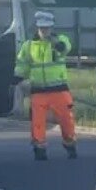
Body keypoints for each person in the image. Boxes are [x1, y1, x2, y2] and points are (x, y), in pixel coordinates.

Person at [14, 11, 77, 161]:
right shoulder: (29, 46)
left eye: (47, 28)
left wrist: (56, 43)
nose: (45, 31)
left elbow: (65, 48)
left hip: (59, 89)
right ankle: (39, 149)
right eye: (42, 28)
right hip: (38, 90)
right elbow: (22, 64)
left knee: (66, 121)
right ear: (37, 28)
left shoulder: (60, 40)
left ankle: (70, 145)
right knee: (38, 123)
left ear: (52, 27)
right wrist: (18, 77)